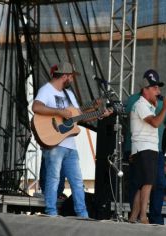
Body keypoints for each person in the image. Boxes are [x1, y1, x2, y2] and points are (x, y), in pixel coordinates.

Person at [32, 61, 111, 217]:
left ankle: (83, 214)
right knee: (53, 178)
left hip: (70, 145)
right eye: (72, 77)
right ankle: (51, 212)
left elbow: (78, 117)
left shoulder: (69, 94)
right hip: (54, 143)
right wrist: (59, 112)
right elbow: (36, 107)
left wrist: (97, 112)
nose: (73, 80)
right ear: (65, 76)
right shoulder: (46, 90)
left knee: (77, 182)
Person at [124, 69, 166, 224]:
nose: (158, 91)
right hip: (144, 148)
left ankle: (133, 217)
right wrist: (165, 107)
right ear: (145, 89)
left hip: (148, 148)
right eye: (155, 88)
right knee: (148, 183)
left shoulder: (149, 105)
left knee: (141, 184)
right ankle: (143, 216)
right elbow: (156, 123)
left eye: (158, 87)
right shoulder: (140, 104)